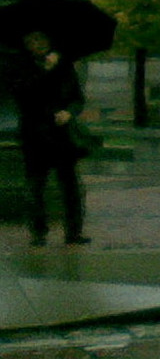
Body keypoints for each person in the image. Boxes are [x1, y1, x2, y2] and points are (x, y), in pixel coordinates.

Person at [13, 31, 90, 245]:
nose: (36, 44)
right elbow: (22, 94)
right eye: (31, 41)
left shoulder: (65, 67)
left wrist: (69, 112)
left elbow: (77, 98)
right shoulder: (23, 66)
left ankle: (74, 232)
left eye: (41, 39)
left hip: (61, 136)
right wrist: (46, 70)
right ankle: (38, 232)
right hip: (35, 135)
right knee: (35, 186)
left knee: (70, 186)